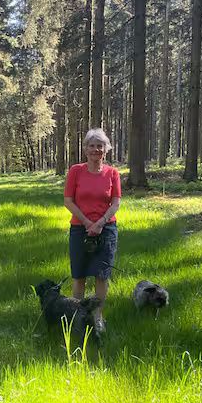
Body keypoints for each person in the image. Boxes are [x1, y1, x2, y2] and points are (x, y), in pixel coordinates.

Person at [63, 128, 121, 330]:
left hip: (107, 230)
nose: (96, 149)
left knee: (101, 275)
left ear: (106, 150)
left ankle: (97, 317)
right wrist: (88, 223)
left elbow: (115, 203)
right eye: (92, 145)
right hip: (80, 229)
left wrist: (101, 223)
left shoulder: (113, 173)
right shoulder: (75, 171)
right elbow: (68, 201)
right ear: (85, 149)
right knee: (79, 275)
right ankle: (77, 317)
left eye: (100, 146)